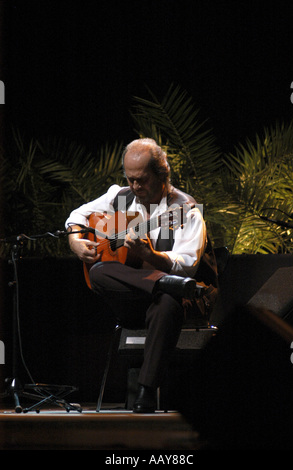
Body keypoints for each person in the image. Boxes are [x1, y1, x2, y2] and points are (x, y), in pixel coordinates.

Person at [65, 138, 218, 413]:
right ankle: (162, 285)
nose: (135, 187)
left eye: (142, 180)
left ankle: (146, 392)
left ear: (163, 175)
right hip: (139, 296)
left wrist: (149, 256)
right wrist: (76, 242)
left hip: (189, 299)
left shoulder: (186, 211)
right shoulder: (120, 196)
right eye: (130, 179)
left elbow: (187, 267)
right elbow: (77, 215)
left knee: (170, 300)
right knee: (99, 271)